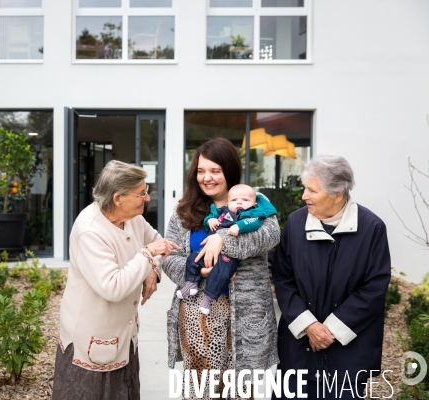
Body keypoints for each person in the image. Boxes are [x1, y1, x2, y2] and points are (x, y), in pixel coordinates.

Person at [162, 138, 280, 400]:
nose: (207, 178)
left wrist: (222, 239)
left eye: (215, 171)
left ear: (229, 170)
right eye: (201, 171)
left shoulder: (253, 201)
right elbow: (169, 258)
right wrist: (198, 272)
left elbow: (270, 236)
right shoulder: (184, 210)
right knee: (200, 391)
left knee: (239, 392)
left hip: (244, 316)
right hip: (198, 318)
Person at [52, 160, 180, 399]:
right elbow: (113, 287)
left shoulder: (132, 218)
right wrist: (148, 255)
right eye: (141, 194)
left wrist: (152, 269)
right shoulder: (90, 230)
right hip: (92, 340)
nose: (147, 198)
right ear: (118, 198)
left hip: (124, 335)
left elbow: (158, 243)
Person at [272, 155, 391, 399]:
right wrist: (309, 326)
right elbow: (283, 278)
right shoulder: (295, 223)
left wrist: (330, 330)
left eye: (312, 190)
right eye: (305, 188)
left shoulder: (372, 228)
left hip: (348, 355)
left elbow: (374, 288)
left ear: (338, 193)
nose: (304, 196)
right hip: (298, 349)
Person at [177, 184, 277, 315]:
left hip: (227, 257)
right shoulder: (224, 211)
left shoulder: (251, 214)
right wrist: (210, 220)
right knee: (192, 259)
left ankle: (208, 299)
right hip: (206, 252)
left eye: (245, 200)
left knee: (221, 274)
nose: (239, 202)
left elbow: (255, 223)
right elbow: (211, 216)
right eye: (234, 200)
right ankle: (191, 283)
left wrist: (239, 227)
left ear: (254, 203)